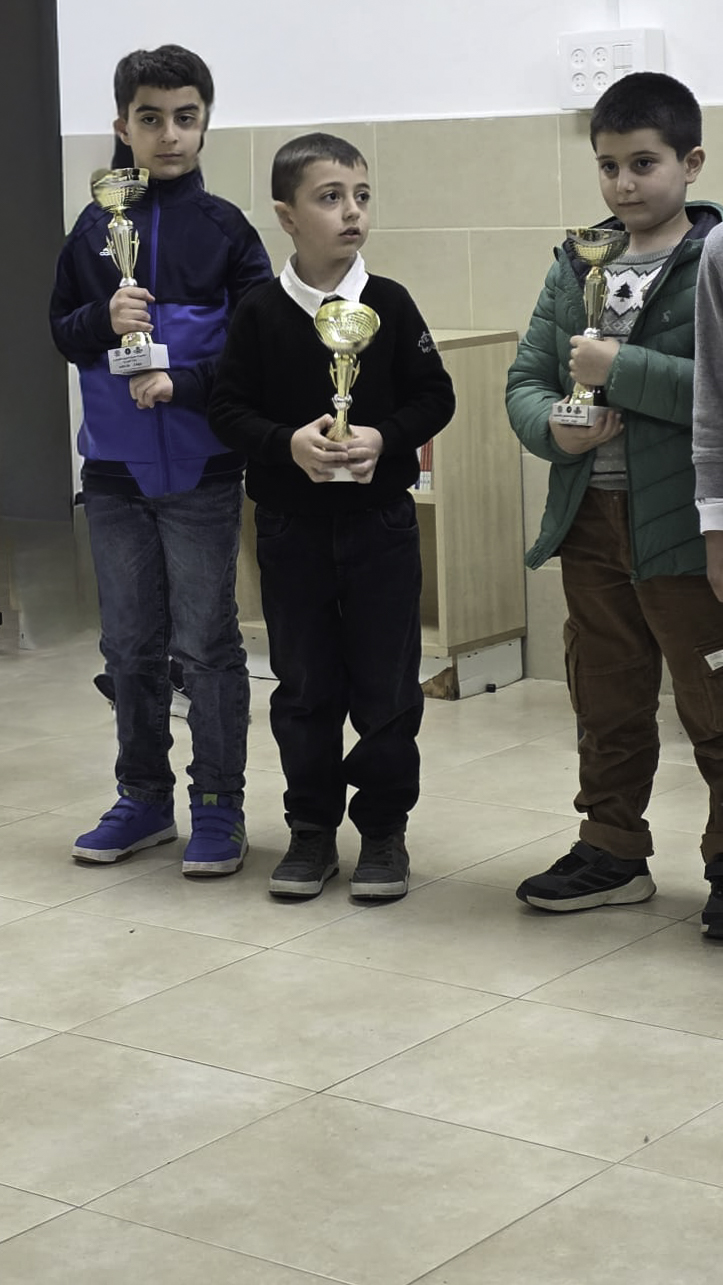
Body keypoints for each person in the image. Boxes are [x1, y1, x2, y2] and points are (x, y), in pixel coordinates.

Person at [209, 133, 455, 900]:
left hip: (380, 526)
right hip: (291, 528)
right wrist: (286, 444)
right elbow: (227, 408)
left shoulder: (390, 303)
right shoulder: (259, 311)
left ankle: (382, 831)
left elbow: (434, 396)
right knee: (304, 686)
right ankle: (311, 830)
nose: (351, 212)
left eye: (361, 196)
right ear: (286, 216)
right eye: (329, 198)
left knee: (387, 688)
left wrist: (385, 437)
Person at [506, 71, 723, 936]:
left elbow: (717, 389)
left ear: (690, 163)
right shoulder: (574, 263)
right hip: (590, 521)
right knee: (604, 695)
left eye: (642, 163)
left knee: (711, 701)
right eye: (607, 166)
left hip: (686, 526)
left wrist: (618, 370)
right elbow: (528, 380)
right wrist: (553, 431)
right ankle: (610, 849)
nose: (623, 184)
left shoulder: (712, 258)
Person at [50, 44, 272, 876]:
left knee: (207, 644)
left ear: (205, 124)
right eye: (151, 119)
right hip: (112, 472)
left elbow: (257, 348)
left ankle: (217, 804)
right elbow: (61, 331)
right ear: (123, 126)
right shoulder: (91, 228)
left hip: (201, 470)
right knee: (128, 646)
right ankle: (142, 798)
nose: (169, 135)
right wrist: (104, 319)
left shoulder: (226, 230)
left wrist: (185, 379)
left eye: (185, 118)